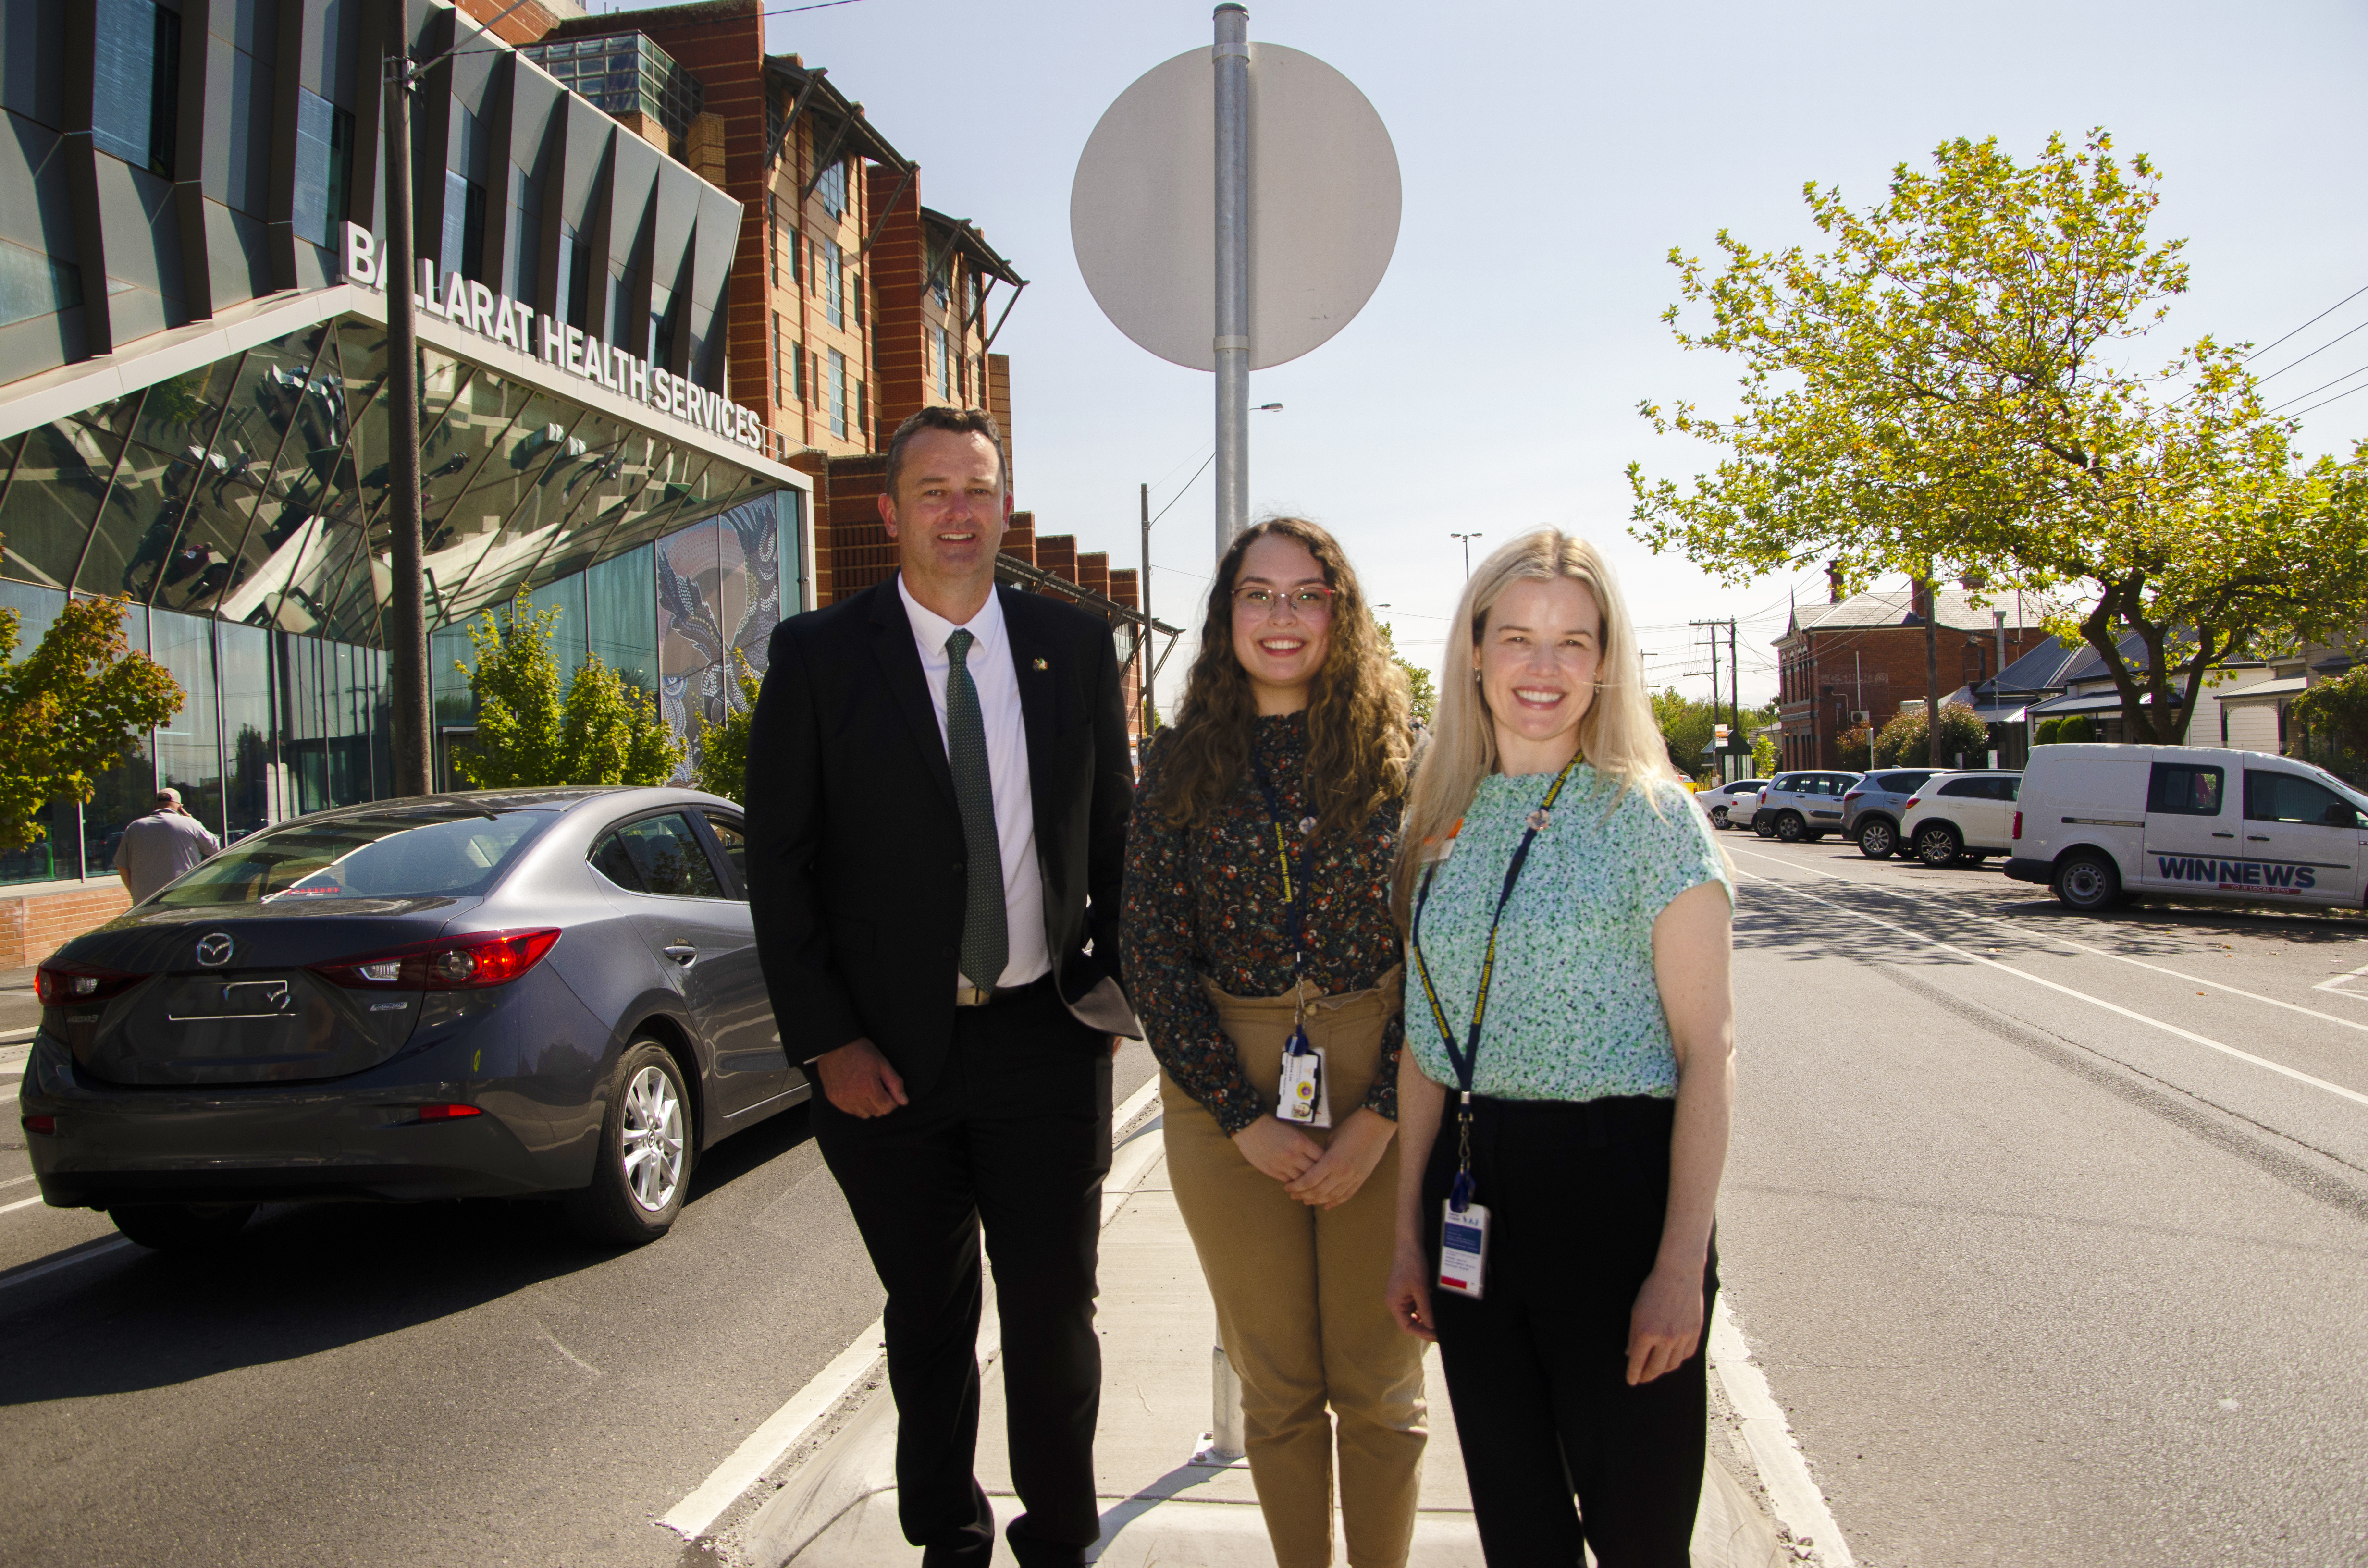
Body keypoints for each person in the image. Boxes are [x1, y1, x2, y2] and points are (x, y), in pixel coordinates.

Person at [744, 406, 1139, 1568]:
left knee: (1055, 1318)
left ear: (1004, 505)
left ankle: (1060, 1539)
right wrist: (828, 1043)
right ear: (889, 513)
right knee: (927, 1319)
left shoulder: (1075, 646)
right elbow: (782, 864)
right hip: (885, 1059)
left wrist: (1105, 999)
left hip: (1043, 1042)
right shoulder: (819, 654)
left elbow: (1114, 841)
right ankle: (950, 1540)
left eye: (979, 490)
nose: (959, 514)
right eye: (934, 492)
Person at [1383, 530, 1735, 1568]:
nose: (1543, 669)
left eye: (1573, 643)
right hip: (1474, 1205)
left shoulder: (1652, 819)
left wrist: (1680, 1268)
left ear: (1605, 663)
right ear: (1475, 654)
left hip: (1618, 1202)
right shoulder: (1435, 819)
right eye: (1518, 640)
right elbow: (1423, 1050)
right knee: (1518, 1534)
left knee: (1637, 1537)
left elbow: (1707, 1055)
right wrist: (1407, 1232)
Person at [1123, 518, 1425, 1568]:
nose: (1283, 617)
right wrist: (1244, 1121)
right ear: (1227, 615)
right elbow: (1150, 954)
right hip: (1225, 1095)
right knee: (1281, 1386)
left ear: (1341, 613)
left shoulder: (1403, 754)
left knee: (1378, 1385)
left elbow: (1442, 946)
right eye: (1259, 595)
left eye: (1308, 595)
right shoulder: (1178, 765)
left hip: (1380, 1076)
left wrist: (1383, 1116)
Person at [115, 789, 221, 903]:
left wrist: (134, 892)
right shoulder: (191, 824)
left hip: (145, 900)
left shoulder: (134, 827)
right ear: (180, 807)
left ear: (155, 806)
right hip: (182, 896)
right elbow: (214, 849)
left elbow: (122, 865)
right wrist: (192, 820)